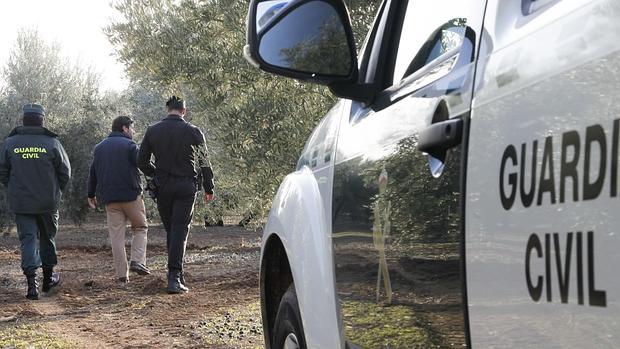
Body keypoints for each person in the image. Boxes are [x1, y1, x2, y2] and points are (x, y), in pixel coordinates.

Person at [138, 96, 214, 294]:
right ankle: (174, 277)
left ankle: (175, 274)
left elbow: (141, 160)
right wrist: (209, 186)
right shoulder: (193, 131)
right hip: (185, 186)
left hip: (163, 187)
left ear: (167, 109)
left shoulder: (153, 130)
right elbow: (204, 162)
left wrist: (156, 173)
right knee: (179, 230)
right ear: (184, 111)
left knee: (172, 229)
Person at [0, 103, 71, 300]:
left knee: (28, 240)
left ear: (23, 119)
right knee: (48, 238)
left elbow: (2, 172)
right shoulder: (52, 143)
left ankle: (32, 286)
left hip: (22, 202)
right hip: (48, 202)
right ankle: (48, 281)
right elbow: (65, 172)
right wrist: (56, 190)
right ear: (42, 120)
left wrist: (15, 188)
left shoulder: (10, 143)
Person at [87, 116, 150, 284]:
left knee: (117, 237)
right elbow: (142, 164)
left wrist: (90, 193)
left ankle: (122, 276)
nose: (133, 131)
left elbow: (93, 172)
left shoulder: (99, 148)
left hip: (110, 199)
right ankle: (137, 260)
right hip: (131, 197)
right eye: (132, 128)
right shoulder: (129, 146)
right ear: (124, 128)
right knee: (140, 227)